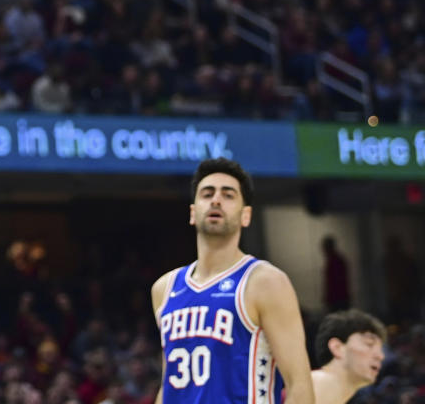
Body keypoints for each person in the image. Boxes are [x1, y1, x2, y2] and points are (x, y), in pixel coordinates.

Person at [150, 158, 314, 403]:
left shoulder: (265, 282)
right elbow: (169, 383)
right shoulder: (164, 288)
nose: (216, 200)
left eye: (228, 195)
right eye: (207, 194)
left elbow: (299, 386)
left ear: (245, 215)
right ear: (193, 213)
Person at [310, 310, 386, 404]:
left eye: (380, 349)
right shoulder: (320, 381)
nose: (380, 356)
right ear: (337, 347)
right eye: (369, 344)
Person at [321, 236, 351, 312]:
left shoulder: (336, 261)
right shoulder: (334, 260)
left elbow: (336, 282)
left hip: (338, 298)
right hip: (338, 298)